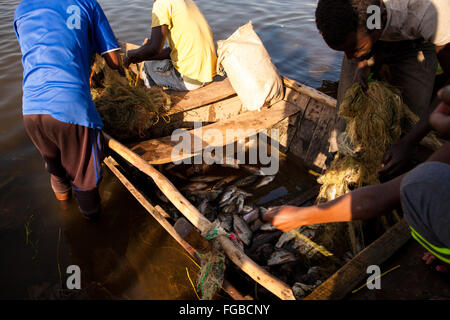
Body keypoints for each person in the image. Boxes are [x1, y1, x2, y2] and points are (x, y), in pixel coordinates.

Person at [263, 85, 450, 272]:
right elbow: (380, 196)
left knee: (420, 182)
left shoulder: (424, 181)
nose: (440, 106)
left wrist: (300, 216)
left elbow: (381, 198)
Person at [315, 0, 450, 180]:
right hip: (366, 32)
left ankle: (389, 177)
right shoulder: (347, 15)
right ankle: (338, 167)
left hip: (416, 43)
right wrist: (361, 61)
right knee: (346, 115)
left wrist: (409, 142)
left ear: (378, 20)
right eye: (344, 51)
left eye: (355, 49)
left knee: (411, 120)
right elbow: (355, 37)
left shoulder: (429, 11)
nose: (349, 58)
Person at [14, 0, 121, 219]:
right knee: (85, 179)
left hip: (31, 109)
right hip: (70, 107)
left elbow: (37, 49)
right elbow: (114, 61)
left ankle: (66, 215)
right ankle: (93, 228)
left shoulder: (21, 8)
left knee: (57, 173)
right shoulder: (86, 3)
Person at [123, 0, 217, 91]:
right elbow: (172, 50)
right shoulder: (186, 1)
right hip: (208, 73)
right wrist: (142, 54)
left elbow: (154, 49)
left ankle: (156, 99)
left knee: (147, 66)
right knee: (157, 51)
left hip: (191, 80)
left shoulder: (161, 4)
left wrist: (130, 55)